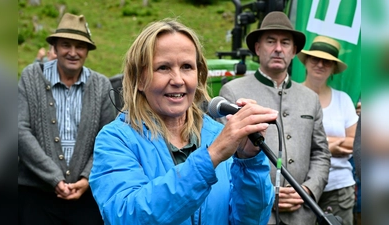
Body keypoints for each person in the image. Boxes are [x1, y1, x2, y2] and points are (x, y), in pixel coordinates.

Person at [89, 18, 278, 225]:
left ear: (199, 75)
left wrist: (249, 160)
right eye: (163, 68)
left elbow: (251, 221)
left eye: (187, 67)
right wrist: (211, 157)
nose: (178, 80)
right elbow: (127, 216)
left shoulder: (217, 134)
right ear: (140, 79)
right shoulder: (115, 140)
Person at [218, 11, 331, 225]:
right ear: (257, 48)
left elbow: (321, 154)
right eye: (271, 41)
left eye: (285, 42)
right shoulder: (233, 92)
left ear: (294, 50)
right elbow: (223, 157)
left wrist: (307, 190)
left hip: (302, 215)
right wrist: (265, 193)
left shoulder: (310, 98)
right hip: (256, 214)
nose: (278, 48)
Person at [18, 13, 116, 225]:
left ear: (87, 51)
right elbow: (19, 129)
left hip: (87, 197)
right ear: (54, 47)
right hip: (37, 195)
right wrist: (54, 178)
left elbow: (109, 138)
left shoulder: (101, 85)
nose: (73, 53)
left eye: (79, 46)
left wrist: (87, 178)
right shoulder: (31, 77)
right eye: (65, 45)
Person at [299, 36, 358, 225]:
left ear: (333, 68)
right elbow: (288, 140)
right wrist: (332, 145)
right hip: (300, 187)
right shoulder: (292, 97)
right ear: (306, 62)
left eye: (327, 61)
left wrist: (316, 143)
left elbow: (355, 143)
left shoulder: (343, 100)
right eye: (315, 59)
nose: (320, 65)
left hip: (339, 188)